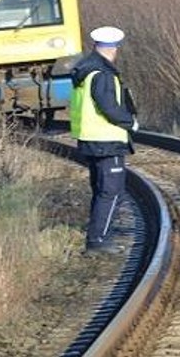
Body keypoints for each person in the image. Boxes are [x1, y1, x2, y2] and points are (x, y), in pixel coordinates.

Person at [70, 25, 139, 255]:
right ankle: (98, 241)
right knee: (111, 192)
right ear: (113, 49)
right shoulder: (103, 74)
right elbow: (108, 106)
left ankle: (97, 237)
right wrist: (129, 122)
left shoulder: (86, 70)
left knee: (101, 190)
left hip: (91, 140)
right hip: (106, 141)